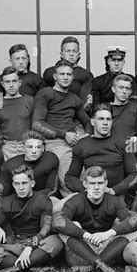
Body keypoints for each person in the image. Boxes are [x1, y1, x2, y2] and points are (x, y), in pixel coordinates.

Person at [52, 166, 137, 272]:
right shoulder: (76, 200)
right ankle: (100, 265)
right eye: (92, 183)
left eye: (100, 183)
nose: (97, 187)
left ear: (106, 183)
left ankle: (91, 267)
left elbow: (134, 221)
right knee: (63, 229)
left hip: (106, 247)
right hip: (81, 251)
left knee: (133, 231)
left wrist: (107, 234)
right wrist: (86, 235)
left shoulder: (114, 201)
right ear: (85, 184)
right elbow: (57, 222)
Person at [0, 165, 64, 272]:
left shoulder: (43, 200)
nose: (20, 188)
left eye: (24, 183)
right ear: (13, 185)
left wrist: (30, 247)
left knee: (57, 240)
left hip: (39, 245)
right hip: (17, 245)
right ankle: (32, 268)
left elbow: (46, 229)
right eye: (17, 184)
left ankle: (13, 269)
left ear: (32, 183)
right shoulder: (7, 202)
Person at [32, 59, 90, 198]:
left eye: (69, 74)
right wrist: (64, 134)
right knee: (68, 179)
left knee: (86, 175)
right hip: (54, 141)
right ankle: (73, 207)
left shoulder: (75, 99)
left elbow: (87, 121)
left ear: (73, 77)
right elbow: (37, 123)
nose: (65, 77)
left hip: (74, 142)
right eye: (62, 74)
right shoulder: (45, 93)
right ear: (55, 76)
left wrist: (86, 135)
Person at [65, 103, 137, 201]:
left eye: (108, 119)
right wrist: (86, 189)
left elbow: (135, 174)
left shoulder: (123, 142)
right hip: (91, 195)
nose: (105, 123)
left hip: (116, 196)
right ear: (92, 121)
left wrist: (113, 190)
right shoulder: (82, 144)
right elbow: (70, 177)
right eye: (101, 119)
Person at [0, 130, 58, 199]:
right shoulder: (9, 166)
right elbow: (4, 196)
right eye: (30, 147)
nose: (34, 151)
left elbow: (52, 190)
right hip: (17, 203)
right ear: (23, 147)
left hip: (42, 201)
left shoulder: (50, 159)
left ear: (43, 148)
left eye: (38, 147)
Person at [0, 66, 34, 160]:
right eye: (7, 82)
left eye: (14, 81)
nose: (11, 85)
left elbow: (35, 124)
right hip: (6, 147)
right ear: (2, 84)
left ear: (19, 83)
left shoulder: (29, 100)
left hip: (27, 145)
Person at [42, 36, 94, 105]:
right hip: (54, 111)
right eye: (68, 51)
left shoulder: (86, 75)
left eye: (74, 51)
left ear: (78, 55)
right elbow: (44, 98)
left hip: (77, 111)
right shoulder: (50, 72)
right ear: (61, 54)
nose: (71, 54)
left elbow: (84, 100)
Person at [108, 74, 137, 141]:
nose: (124, 92)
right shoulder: (105, 110)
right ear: (113, 89)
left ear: (130, 92)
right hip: (109, 148)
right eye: (121, 87)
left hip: (130, 148)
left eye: (127, 88)